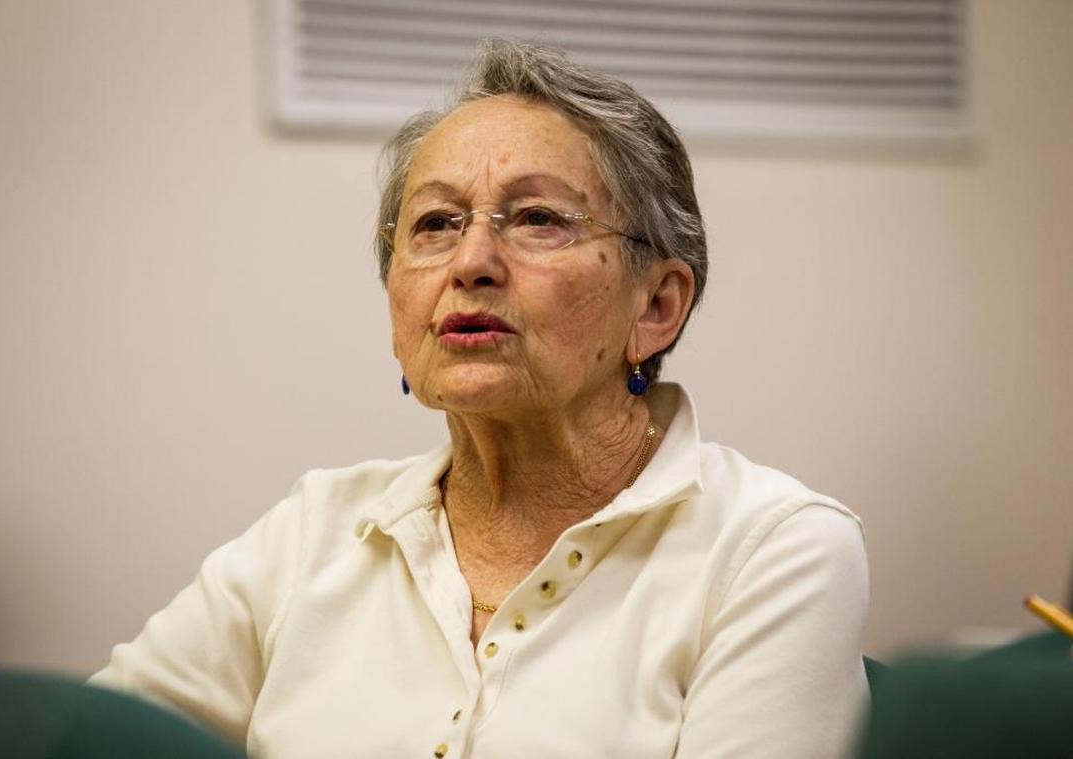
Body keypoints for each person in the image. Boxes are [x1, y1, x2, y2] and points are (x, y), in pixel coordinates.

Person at [91, 39, 869, 758]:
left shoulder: (773, 549)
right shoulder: (313, 534)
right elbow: (82, 738)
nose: (471, 261)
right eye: (435, 223)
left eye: (536, 218)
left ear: (656, 306)